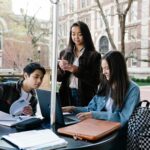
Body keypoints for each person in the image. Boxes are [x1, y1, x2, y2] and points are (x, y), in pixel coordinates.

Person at [62, 51, 140, 150]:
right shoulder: (104, 84)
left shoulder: (133, 89)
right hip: (98, 129)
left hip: (117, 136)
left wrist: (95, 114)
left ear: (117, 68)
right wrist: (72, 109)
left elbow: (123, 118)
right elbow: (91, 109)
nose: (104, 72)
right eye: (103, 68)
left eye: (107, 68)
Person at [57, 21, 101, 106]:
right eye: (73, 34)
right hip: (66, 94)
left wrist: (76, 70)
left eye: (80, 34)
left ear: (86, 35)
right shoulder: (64, 53)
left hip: (85, 97)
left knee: (82, 119)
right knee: (67, 118)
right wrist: (60, 68)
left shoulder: (94, 55)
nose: (76, 37)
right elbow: (57, 78)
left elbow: (96, 81)